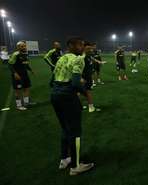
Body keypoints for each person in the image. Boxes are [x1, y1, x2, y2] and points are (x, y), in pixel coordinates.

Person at [51, 37, 94, 176]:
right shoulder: (79, 59)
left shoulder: (61, 58)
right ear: (73, 46)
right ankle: (75, 166)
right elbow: (76, 83)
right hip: (67, 97)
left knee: (65, 128)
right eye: (80, 45)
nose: (82, 47)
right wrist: (84, 93)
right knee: (75, 132)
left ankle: (64, 159)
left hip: (55, 95)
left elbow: (51, 81)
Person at [8, 41, 36, 111]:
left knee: (26, 88)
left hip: (25, 75)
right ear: (18, 47)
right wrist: (15, 73)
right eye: (22, 46)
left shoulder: (25, 54)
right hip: (18, 76)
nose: (24, 47)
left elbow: (26, 64)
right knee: (18, 91)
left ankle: (26, 103)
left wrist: (31, 70)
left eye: (24, 46)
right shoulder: (16, 54)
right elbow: (10, 65)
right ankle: (19, 105)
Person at [82, 42, 101, 113]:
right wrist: (81, 78)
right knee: (88, 91)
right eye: (88, 49)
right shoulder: (82, 57)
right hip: (85, 77)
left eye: (90, 48)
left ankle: (80, 106)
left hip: (88, 76)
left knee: (81, 92)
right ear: (84, 49)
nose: (90, 50)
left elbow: (92, 59)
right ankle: (91, 107)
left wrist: (99, 62)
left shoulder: (88, 56)